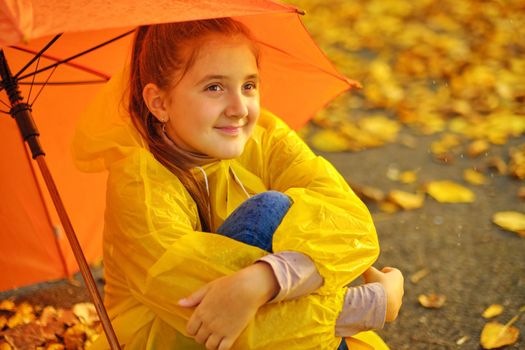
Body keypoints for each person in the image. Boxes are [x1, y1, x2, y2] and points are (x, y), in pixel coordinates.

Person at [74, 18, 403, 350]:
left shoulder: (264, 139)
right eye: (214, 87)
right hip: (169, 337)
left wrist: (265, 278)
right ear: (159, 103)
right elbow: (214, 312)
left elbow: (349, 218)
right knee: (271, 211)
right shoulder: (139, 186)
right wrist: (372, 305)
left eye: (248, 85)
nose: (239, 108)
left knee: (309, 218)